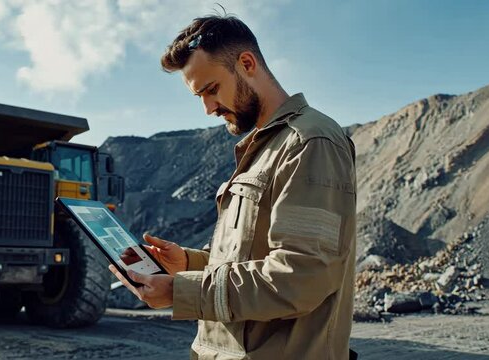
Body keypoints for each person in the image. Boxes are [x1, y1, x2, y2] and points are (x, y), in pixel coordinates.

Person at [109, 13, 357, 360]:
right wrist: (190, 263)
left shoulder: (309, 142)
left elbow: (300, 276)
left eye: (211, 90)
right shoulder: (264, 148)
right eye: (199, 96)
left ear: (246, 63)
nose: (208, 108)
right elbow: (253, 260)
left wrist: (180, 292)